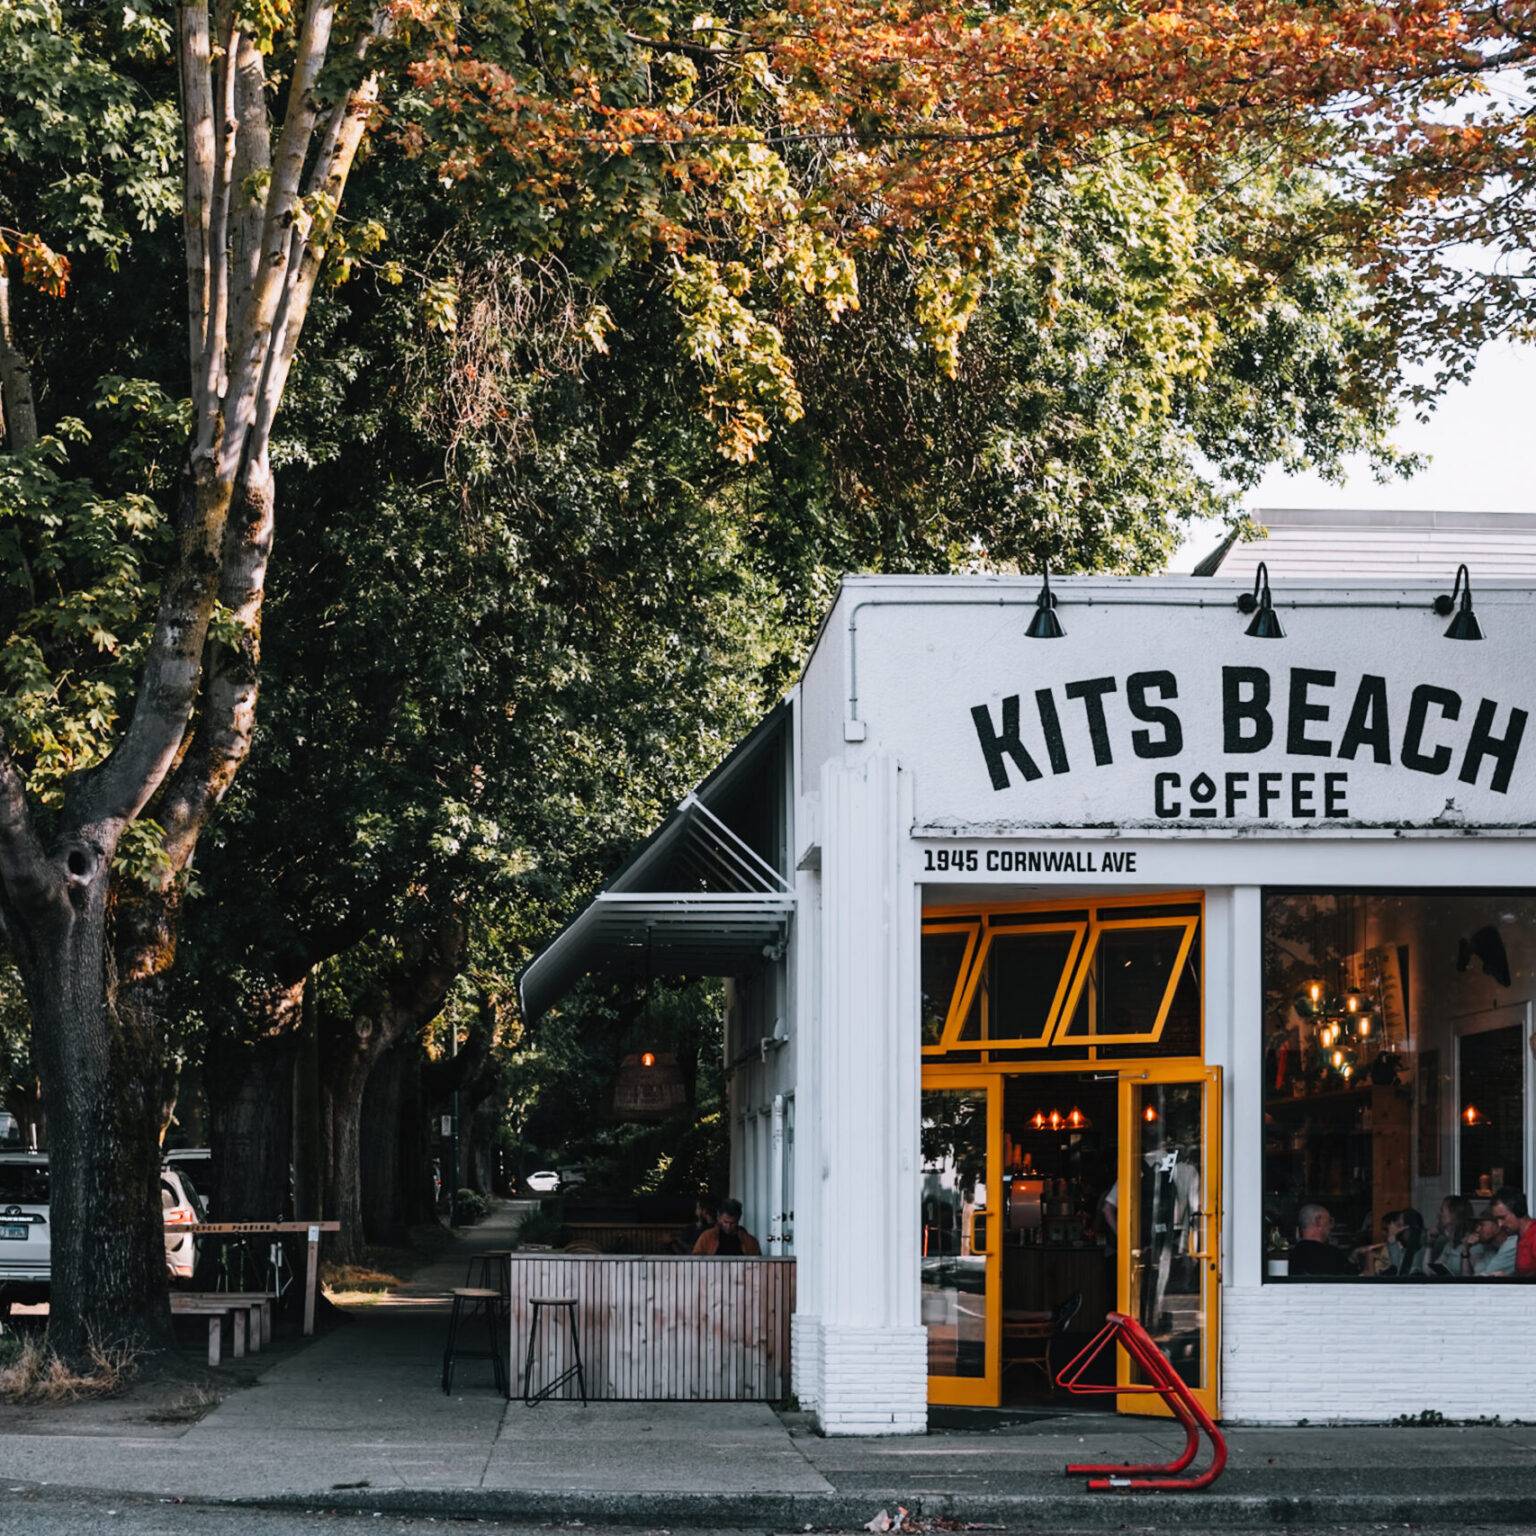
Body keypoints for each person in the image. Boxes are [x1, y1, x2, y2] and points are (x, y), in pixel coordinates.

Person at [1288, 1202, 1356, 1276]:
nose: (1331, 1226)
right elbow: (1354, 1281)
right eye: (1329, 1221)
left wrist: (1352, 1257)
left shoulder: (1294, 1254)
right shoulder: (1331, 1255)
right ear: (1318, 1221)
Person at [691, 1196, 761, 1256]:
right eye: (725, 1222)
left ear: (738, 1219)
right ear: (719, 1218)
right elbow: (696, 1261)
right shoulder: (707, 1237)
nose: (728, 1226)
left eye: (733, 1223)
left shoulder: (749, 1241)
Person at [1423, 1196, 1475, 1275]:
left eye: (1442, 1210)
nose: (1440, 1214)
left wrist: (1465, 1252)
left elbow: (1469, 1280)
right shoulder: (1449, 1246)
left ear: (1455, 1214)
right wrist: (1430, 1244)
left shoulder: (1473, 1245)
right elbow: (1429, 1271)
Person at [1490, 1187, 1536, 1277]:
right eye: (1497, 1219)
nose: (1500, 1224)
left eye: (1503, 1218)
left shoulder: (1534, 1235)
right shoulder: (1521, 1236)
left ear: (1518, 1211)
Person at [1455, 1210, 1517, 1276]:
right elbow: (1468, 1279)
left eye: (1482, 1225)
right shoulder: (1489, 1250)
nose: (1477, 1230)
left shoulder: (1511, 1245)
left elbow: (1484, 1280)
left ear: (1498, 1225)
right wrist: (1465, 1251)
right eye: (1477, 1226)